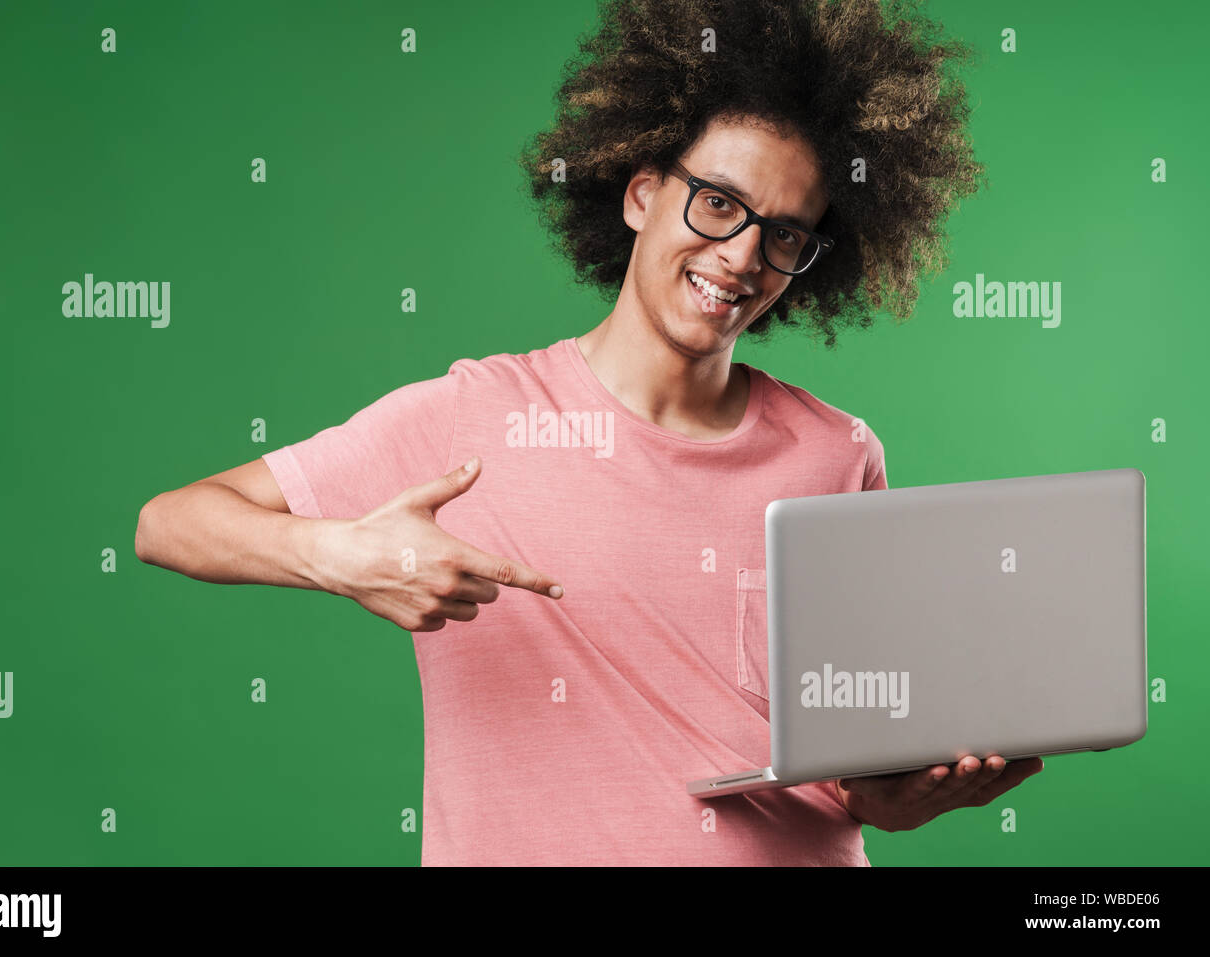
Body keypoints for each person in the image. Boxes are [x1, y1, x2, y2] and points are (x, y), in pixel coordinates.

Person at [135, 0, 1042, 865]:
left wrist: (901, 794)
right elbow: (168, 522)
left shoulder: (837, 454)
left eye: (783, 234)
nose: (740, 256)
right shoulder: (473, 414)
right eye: (718, 204)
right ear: (642, 194)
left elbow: (851, 780)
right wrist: (342, 555)